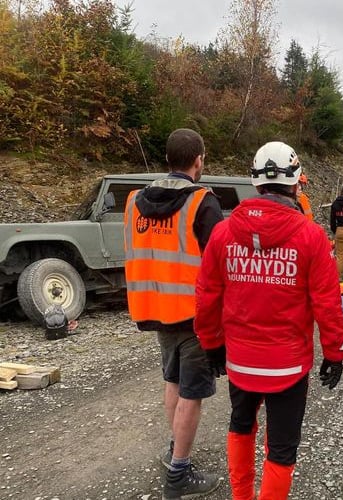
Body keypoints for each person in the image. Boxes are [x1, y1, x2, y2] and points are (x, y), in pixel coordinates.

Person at [194, 141, 343, 500]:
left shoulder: (223, 232)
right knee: (281, 448)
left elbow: (206, 296)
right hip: (288, 367)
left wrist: (211, 344)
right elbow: (327, 302)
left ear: (256, 183)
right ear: (296, 184)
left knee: (241, 425)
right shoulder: (309, 236)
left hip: (241, 361)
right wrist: (335, 353)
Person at [123, 128, 222, 499]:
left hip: (155, 308)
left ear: (168, 159)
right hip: (194, 314)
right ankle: (179, 472)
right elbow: (219, 262)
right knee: (192, 392)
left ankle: (175, 451)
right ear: (199, 160)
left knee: (173, 381)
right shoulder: (202, 203)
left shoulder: (134, 201)